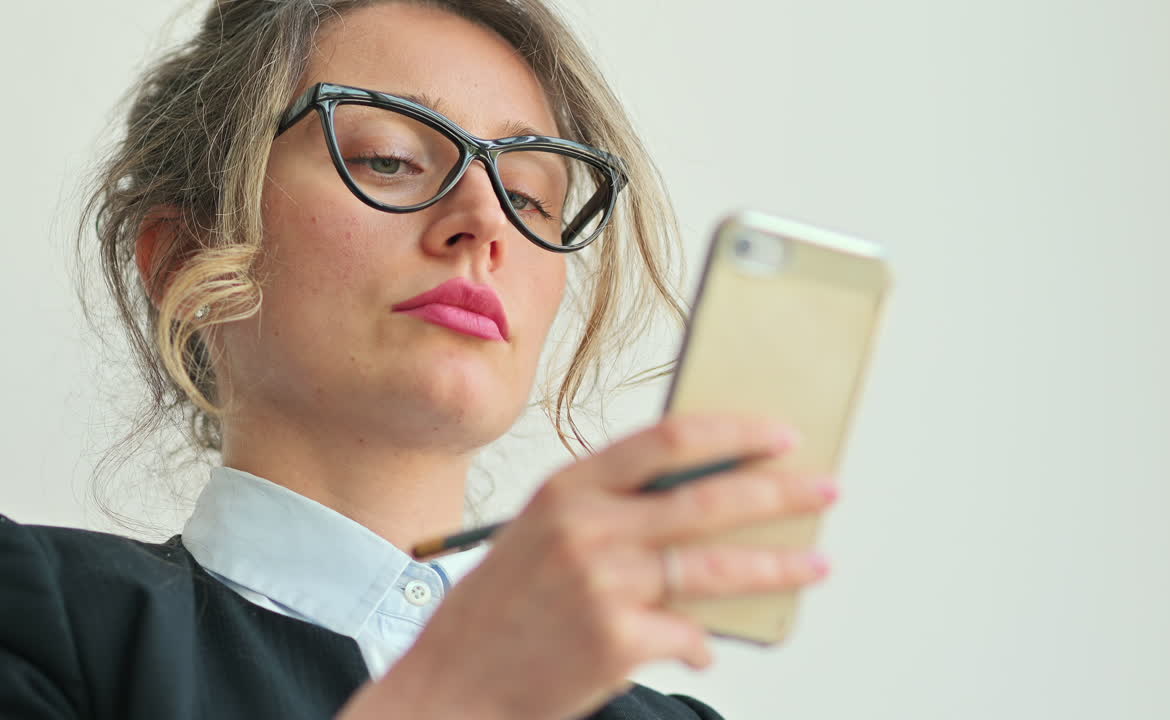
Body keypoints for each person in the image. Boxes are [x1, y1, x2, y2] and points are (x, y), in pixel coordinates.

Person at [0, 1, 838, 718]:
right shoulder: (36, 620)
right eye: (390, 160)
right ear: (187, 257)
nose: (485, 221)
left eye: (528, 196)